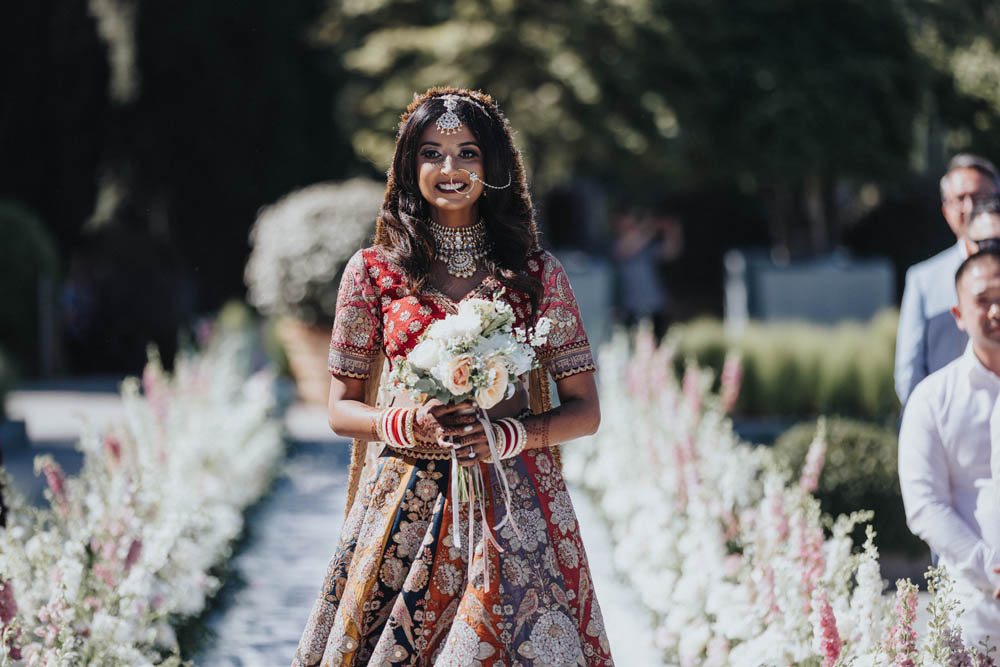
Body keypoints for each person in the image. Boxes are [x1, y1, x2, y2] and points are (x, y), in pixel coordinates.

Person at [292, 88, 613, 666]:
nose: (450, 169)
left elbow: (585, 410)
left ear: (493, 166)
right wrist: (407, 422)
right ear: (407, 165)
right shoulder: (373, 271)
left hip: (517, 509)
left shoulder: (536, 274)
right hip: (405, 505)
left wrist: (512, 436)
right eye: (431, 153)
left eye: (467, 153)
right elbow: (340, 408)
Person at [899, 249, 1000, 652]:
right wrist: (991, 570)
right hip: (970, 604)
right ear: (958, 314)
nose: (995, 310)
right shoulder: (932, 398)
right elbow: (925, 505)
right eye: (983, 299)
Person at [895, 154, 999, 406]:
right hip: (948, 419)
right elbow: (909, 371)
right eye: (960, 199)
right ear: (946, 210)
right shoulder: (923, 279)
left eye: (980, 197)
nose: (970, 207)